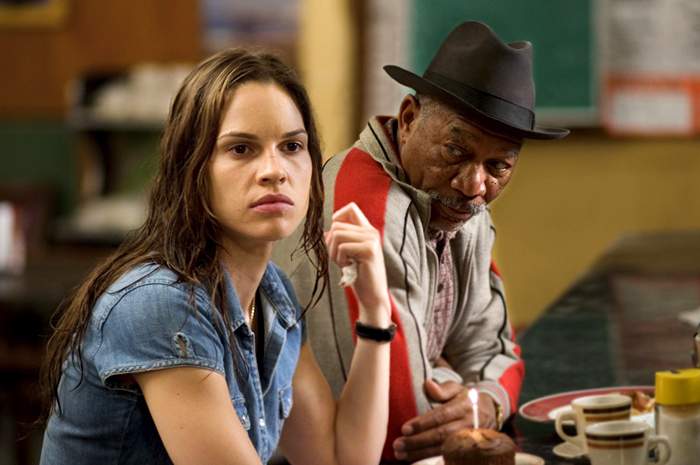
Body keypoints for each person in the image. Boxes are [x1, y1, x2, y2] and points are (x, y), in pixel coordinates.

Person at [39, 48, 394, 465]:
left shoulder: (273, 295)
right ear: (191, 168)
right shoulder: (161, 303)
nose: (274, 170)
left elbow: (338, 458)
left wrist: (375, 312)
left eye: (292, 146)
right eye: (241, 149)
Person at [273, 21, 569, 462]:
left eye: (498, 166)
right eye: (456, 151)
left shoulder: (459, 206)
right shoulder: (363, 207)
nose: (474, 185)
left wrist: (483, 402)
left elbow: (492, 348)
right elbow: (396, 427)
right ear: (409, 119)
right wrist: (460, 392)